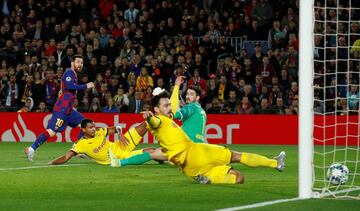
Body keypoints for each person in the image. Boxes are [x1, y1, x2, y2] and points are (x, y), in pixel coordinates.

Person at [110, 88, 286, 185]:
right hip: (196, 152)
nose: (169, 108)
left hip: (190, 167)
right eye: (165, 106)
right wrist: (149, 116)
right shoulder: (158, 120)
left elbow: (157, 120)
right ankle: (275, 163)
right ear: (156, 109)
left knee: (239, 178)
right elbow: (153, 122)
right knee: (236, 156)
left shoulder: (165, 119)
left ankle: (206, 179)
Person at [24, 55, 94, 161]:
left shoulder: (74, 75)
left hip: (69, 109)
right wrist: (85, 86)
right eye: (78, 62)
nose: (80, 64)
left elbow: (66, 91)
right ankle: (31, 149)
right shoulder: (69, 73)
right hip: (62, 109)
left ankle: (80, 150)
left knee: (85, 124)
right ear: (72, 63)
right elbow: (70, 86)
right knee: (51, 132)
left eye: (82, 62)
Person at [49, 118, 156, 165]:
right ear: (83, 130)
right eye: (90, 127)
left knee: (146, 124)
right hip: (120, 157)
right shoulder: (80, 144)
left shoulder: (99, 132)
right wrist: (52, 162)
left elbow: (117, 127)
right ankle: (163, 159)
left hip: (122, 144)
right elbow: (66, 157)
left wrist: (120, 134)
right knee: (152, 151)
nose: (94, 129)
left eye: (94, 126)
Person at [170, 76, 206, 143]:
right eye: (187, 94)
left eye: (191, 94)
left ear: (197, 97)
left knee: (158, 152)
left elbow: (175, 114)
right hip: (198, 143)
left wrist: (176, 86)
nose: (187, 97)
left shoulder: (192, 106)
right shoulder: (201, 110)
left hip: (188, 142)